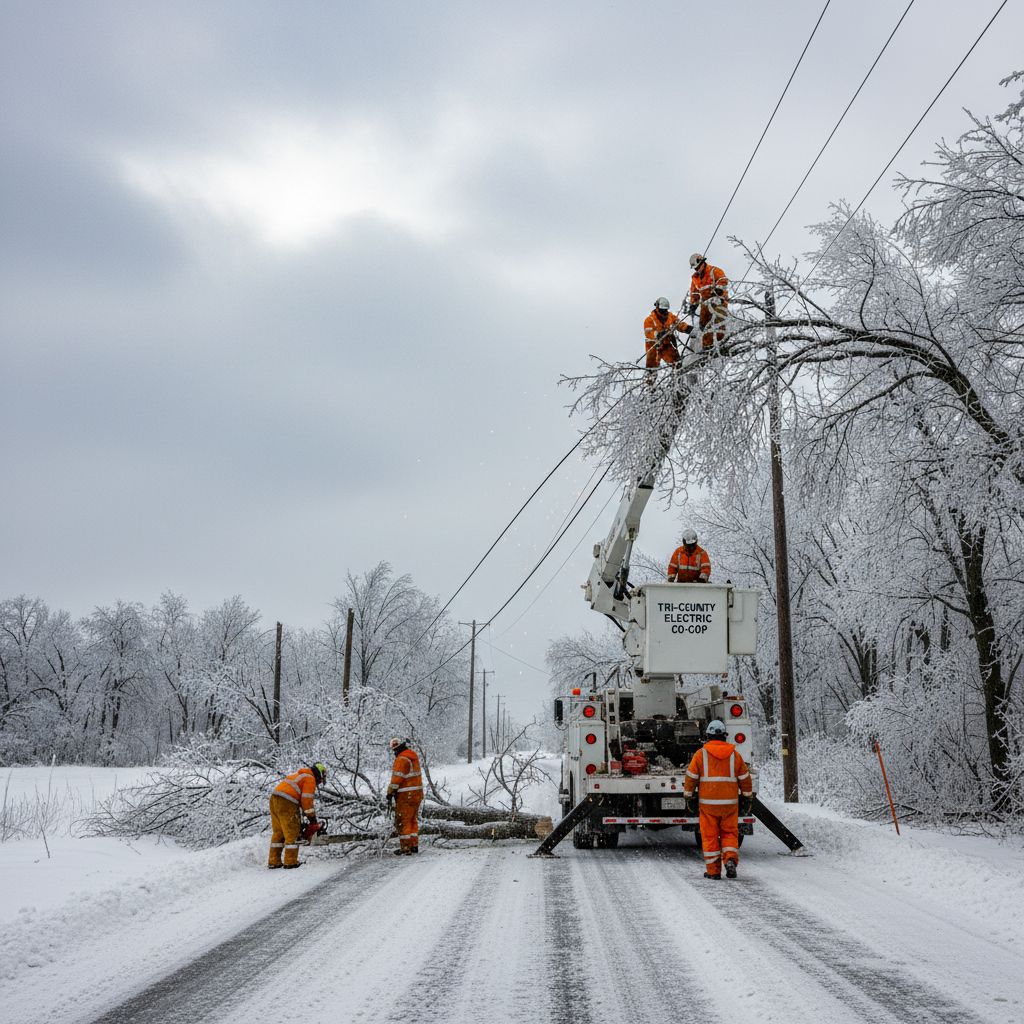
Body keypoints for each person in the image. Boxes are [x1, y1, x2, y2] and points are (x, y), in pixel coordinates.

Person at [683, 720, 753, 879]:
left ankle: (714, 872)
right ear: (724, 736)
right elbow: (745, 778)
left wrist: (688, 796)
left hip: (708, 805)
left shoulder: (701, 754)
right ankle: (730, 859)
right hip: (729, 804)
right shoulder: (735, 755)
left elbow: (691, 777)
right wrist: (747, 797)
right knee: (729, 833)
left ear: (707, 736)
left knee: (710, 837)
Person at [268, 762, 326, 869]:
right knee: (292, 832)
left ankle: (274, 861)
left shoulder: (300, 775)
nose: (319, 783)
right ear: (319, 775)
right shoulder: (310, 779)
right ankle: (290, 862)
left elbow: (301, 800)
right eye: (321, 780)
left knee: (279, 832)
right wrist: (313, 820)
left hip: (274, 798)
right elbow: (307, 802)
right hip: (287, 801)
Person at [387, 737, 424, 855]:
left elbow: (396, 780)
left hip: (406, 795)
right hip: (417, 794)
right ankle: (414, 845)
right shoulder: (413, 756)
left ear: (396, 749)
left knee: (403, 821)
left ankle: (405, 848)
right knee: (413, 819)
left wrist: (389, 792)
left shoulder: (401, 759)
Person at [688, 253, 729, 349]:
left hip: (719, 301)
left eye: (698, 267)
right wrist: (693, 304)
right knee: (703, 327)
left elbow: (723, 280)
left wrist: (719, 289)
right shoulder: (695, 278)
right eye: (695, 269)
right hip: (705, 304)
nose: (697, 270)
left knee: (718, 324)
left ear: (702, 262)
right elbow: (694, 292)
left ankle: (720, 346)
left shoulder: (715, 271)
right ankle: (707, 348)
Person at [643, 296, 692, 370]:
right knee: (651, 370)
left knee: (677, 363)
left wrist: (687, 329)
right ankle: (649, 379)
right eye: (662, 310)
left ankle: (678, 378)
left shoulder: (670, 316)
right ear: (657, 308)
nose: (664, 312)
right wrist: (657, 334)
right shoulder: (649, 320)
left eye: (665, 310)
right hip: (653, 346)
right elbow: (648, 332)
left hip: (666, 345)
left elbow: (678, 324)